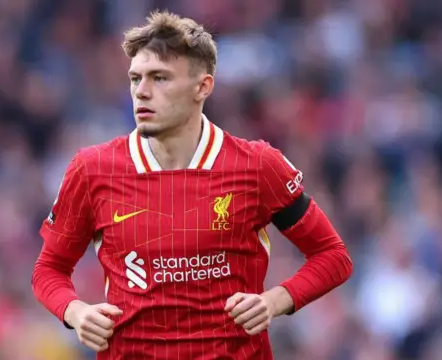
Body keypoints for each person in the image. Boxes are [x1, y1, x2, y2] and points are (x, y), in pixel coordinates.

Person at [31, 10, 353, 360]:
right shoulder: (92, 169)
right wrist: (75, 312)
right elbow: (48, 270)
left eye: (160, 78)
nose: (142, 91)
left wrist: (273, 301)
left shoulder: (257, 165)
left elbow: (333, 257)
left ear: (203, 86)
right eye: (135, 78)